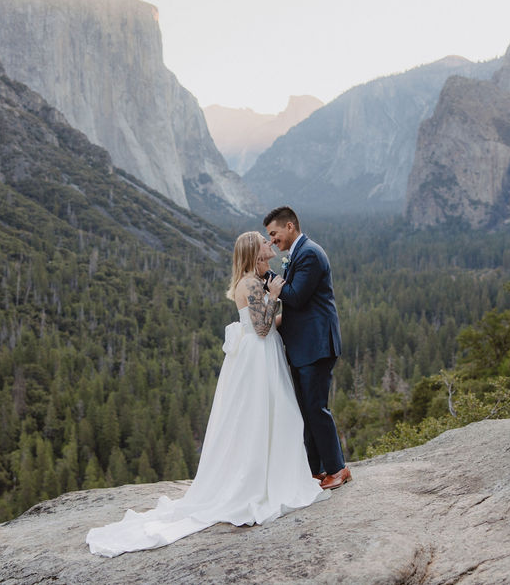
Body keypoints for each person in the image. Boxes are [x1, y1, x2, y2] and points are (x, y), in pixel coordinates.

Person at [86, 232, 328, 557]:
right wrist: (274, 296)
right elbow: (262, 326)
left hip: (259, 354)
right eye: (263, 241)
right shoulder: (254, 284)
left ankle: (269, 473)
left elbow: (263, 323)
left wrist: (289, 310)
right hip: (259, 356)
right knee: (271, 413)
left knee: (271, 414)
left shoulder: (252, 280)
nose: (268, 243)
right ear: (253, 251)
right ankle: (263, 480)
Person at [264, 206, 351, 490]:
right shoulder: (298, 255)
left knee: (316, 408)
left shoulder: (310, 254)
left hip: (317, 344)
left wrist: (266, 277)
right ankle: (315, 470)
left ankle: (338, 469)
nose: (273, 240)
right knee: (307, 410)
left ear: (290, 227)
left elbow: (297, 297)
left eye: (274, 234)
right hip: (304, 345)